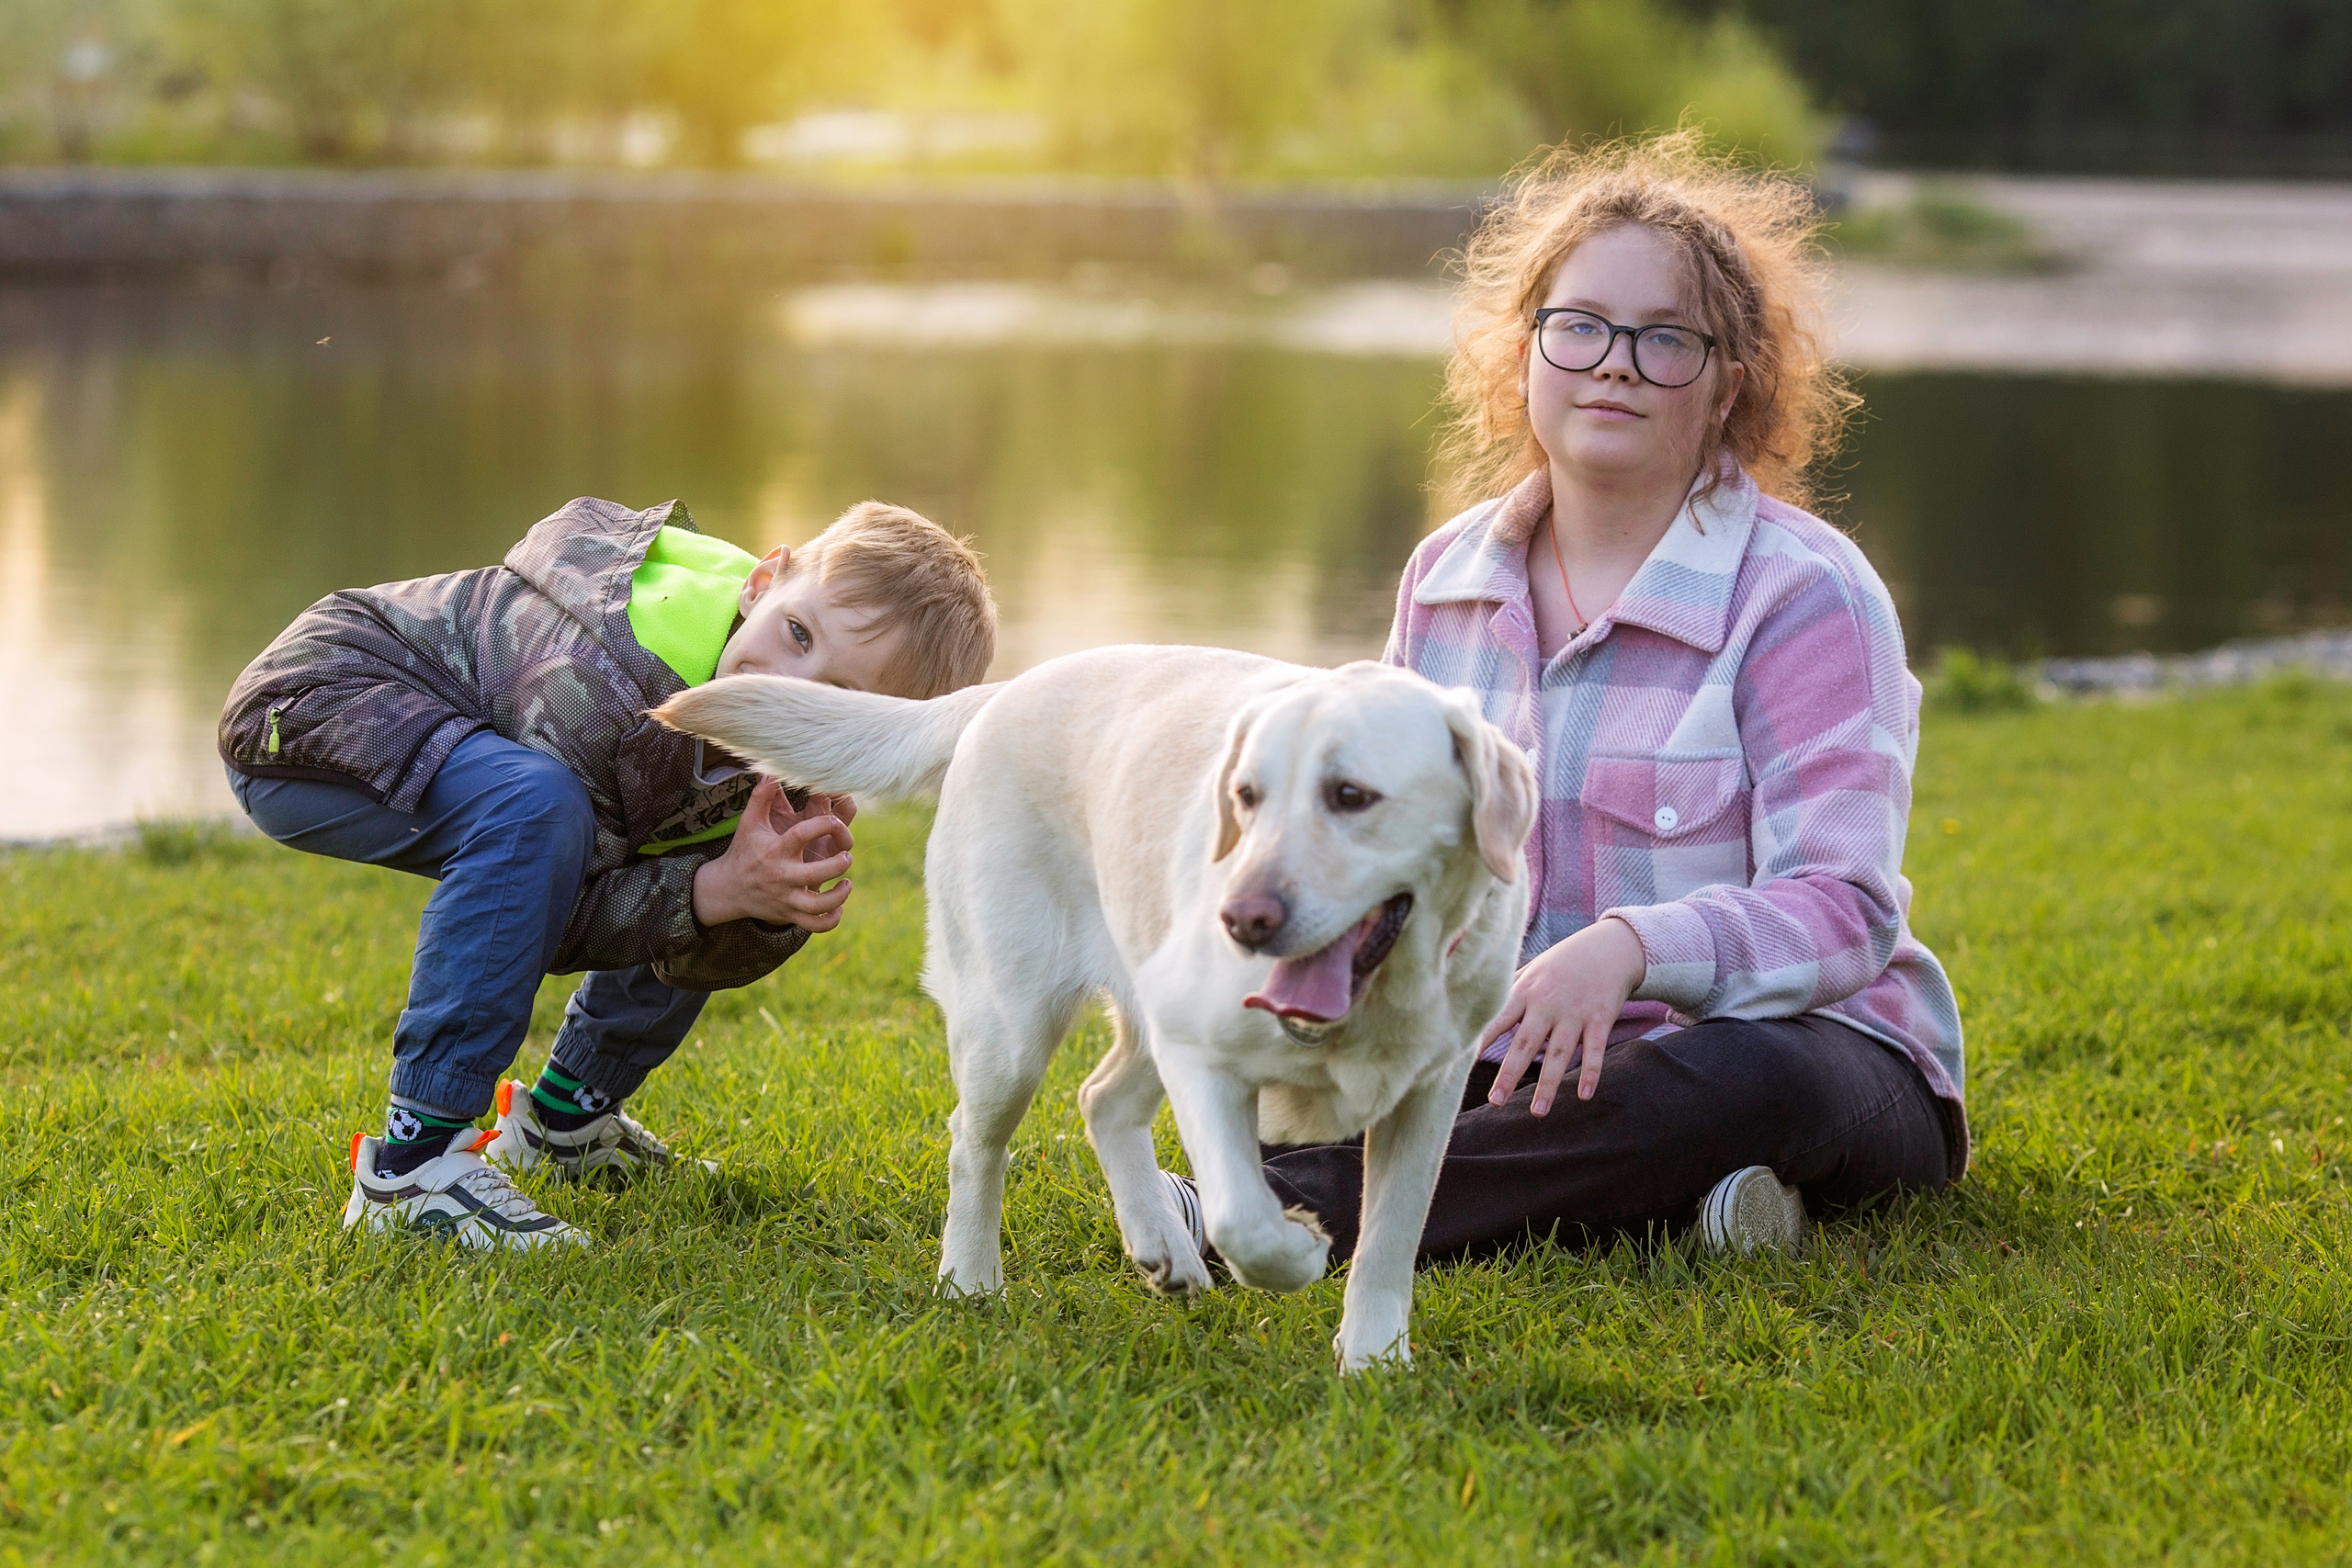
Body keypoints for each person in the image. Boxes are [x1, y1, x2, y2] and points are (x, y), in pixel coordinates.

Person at [1175, 132, 1966, 1266]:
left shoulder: (1808, 592)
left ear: (1727, 384)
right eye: (1581, 326)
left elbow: (1844, 906)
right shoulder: (1445, 580)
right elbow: (1402, 853)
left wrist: (1630, 950)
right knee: (1394, 1062)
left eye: (1665, 340)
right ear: (1525, 353)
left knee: (1720, 1081)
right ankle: (1690, 1208)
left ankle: (1287, 1205)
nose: (1615, 365)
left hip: (1808, 1055)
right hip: (1519, 1055)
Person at [219, 497, 995, 1249]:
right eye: (797, 634)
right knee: (537, 807)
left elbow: (695, 930)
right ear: (764, 580)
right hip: (310, 708)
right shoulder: (605, 687)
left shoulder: (785, 749)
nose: (791, 688)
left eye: (840, 700)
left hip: (450, 754)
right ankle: (412, 1167)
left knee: (720, 861)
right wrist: (717, 888)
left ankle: (564, 1124)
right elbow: (539, 912)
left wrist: (762, 900)